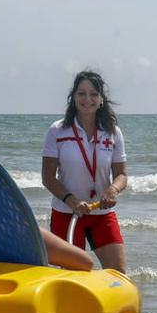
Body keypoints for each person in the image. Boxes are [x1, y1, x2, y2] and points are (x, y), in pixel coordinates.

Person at [41, 71, 129, 272]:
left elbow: (122, 174)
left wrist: (113, 190)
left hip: (101, 212)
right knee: (73, 279)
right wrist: (71, 200)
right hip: (67, 213)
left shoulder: (113, 132)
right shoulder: (57, 130)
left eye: (93, 94)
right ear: (73, 98)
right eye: (82, 93)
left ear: (101, 100)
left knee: (119, 274)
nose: (87, 99)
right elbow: (47, 178)